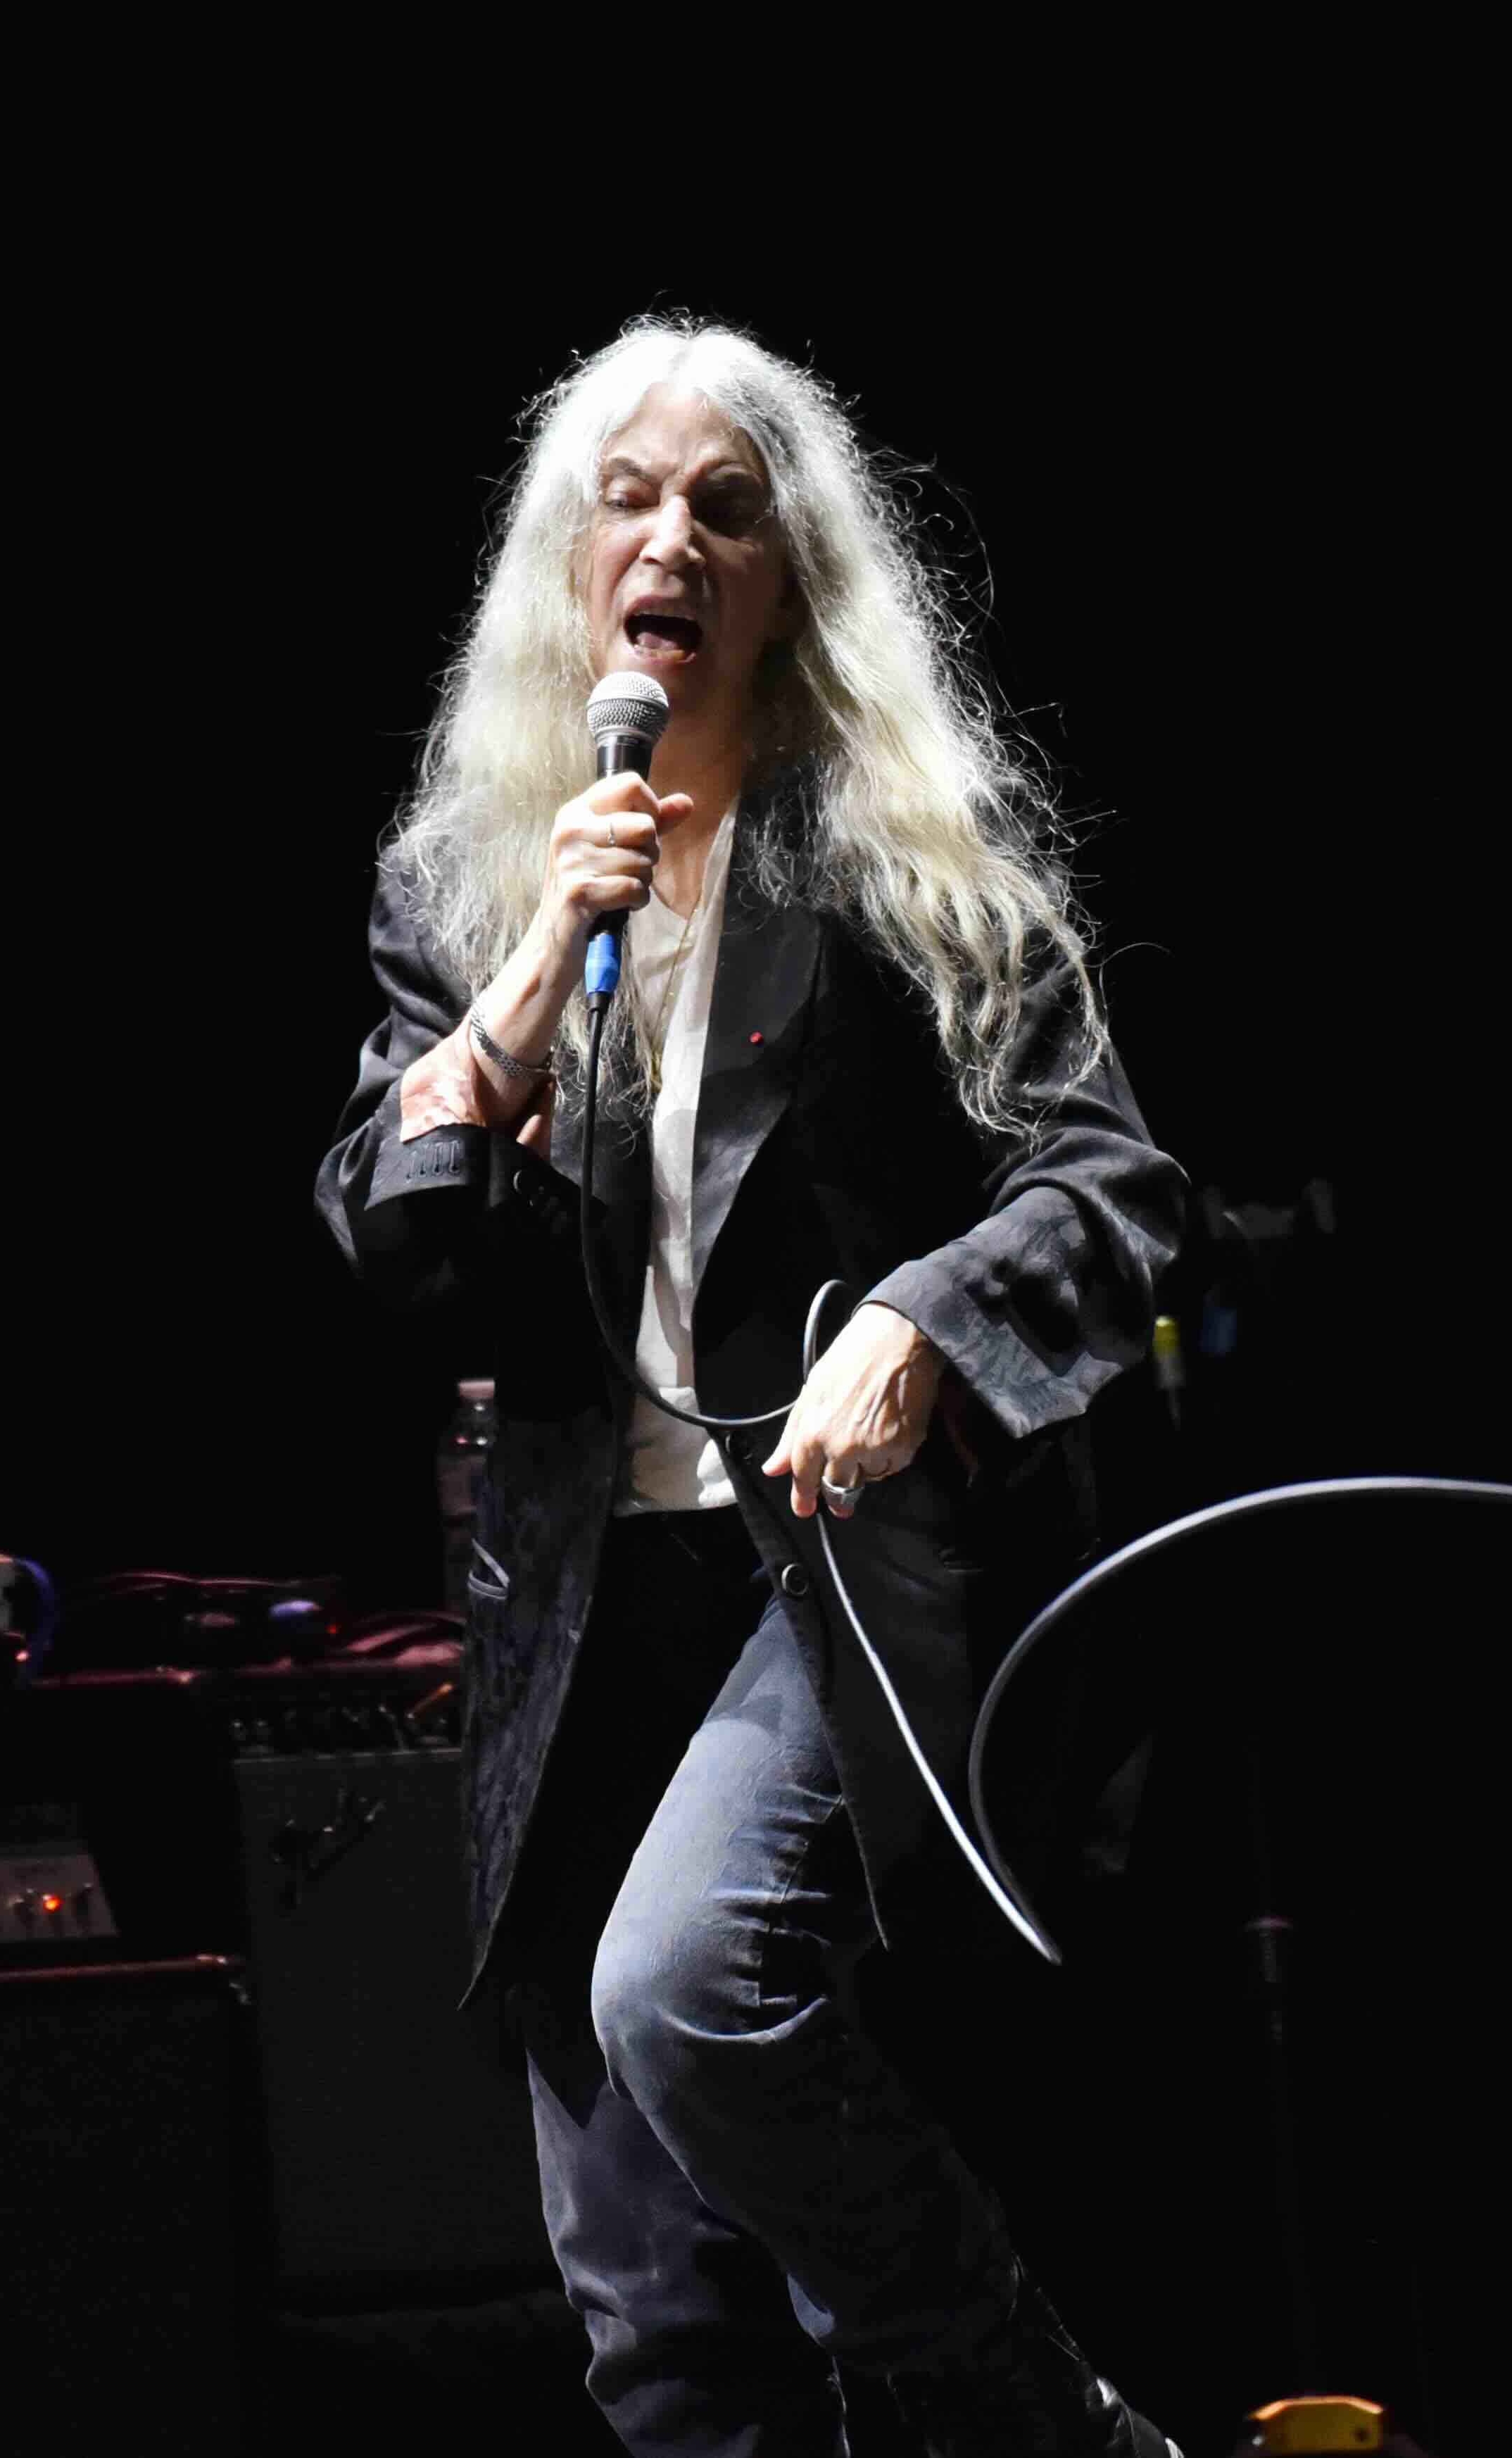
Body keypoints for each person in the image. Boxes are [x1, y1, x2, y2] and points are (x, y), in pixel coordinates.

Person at [317, 318, 1187, 2458]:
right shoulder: (470, 879)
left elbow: (1114, 1188)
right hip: (576, 1615)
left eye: (726, 508)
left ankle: (1048, 2422)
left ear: (790, 578)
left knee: (689, 1980)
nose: (672, 542)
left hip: (830, 1578)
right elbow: (394, 1241)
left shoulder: (898, 848)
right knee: (650, 2320)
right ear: (568, 562)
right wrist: (530, 977)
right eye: (628, 500)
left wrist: (924, 1320)